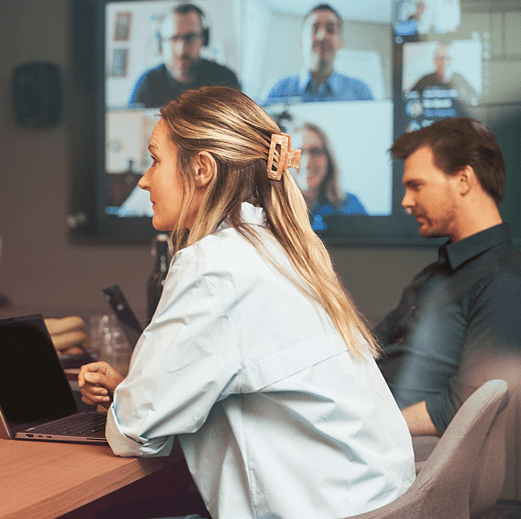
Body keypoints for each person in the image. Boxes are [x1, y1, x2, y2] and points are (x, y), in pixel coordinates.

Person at [79, 86, 415, 518]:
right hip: (377, 500)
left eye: (155, 159)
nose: (144, 179)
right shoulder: (281, 246)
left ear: (201, 169)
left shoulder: (213, 265)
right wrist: (138, 390)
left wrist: (132, 399)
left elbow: (135, 433)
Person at [377, 117, 521, 437]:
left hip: (407, 453)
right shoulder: (438, 272)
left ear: (463, 180)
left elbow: (469, 405)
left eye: (416, 185)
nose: (406, 202)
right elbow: (371, 347)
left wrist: (370, 429)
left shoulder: (503, 280)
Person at [129, 4, 240, 109]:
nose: (181, 49)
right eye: (173, 38)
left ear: (203, 39)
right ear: (161, 43)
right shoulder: (147, 82)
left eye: (190, 37)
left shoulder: (226, 80)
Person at [261, 4, 374, 105]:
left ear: (340, 43)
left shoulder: (361, 93)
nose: (322, 36)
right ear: (302, 43)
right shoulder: (277, 90)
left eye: (330, 30)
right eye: (314, 29)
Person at [294, 122, 367, 228]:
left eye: (315, 151)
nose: (307, 162)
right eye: (298, 152)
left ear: (328, 158)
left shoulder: (351, 206)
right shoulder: (272, 209)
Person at [410, 43, 475, 99]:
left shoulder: (460, 79)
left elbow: (475, 98)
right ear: (435, 60)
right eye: (441, 58)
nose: (444, 62)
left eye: (448, 58)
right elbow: (408, 98)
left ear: (453, 60)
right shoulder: (425, 80)